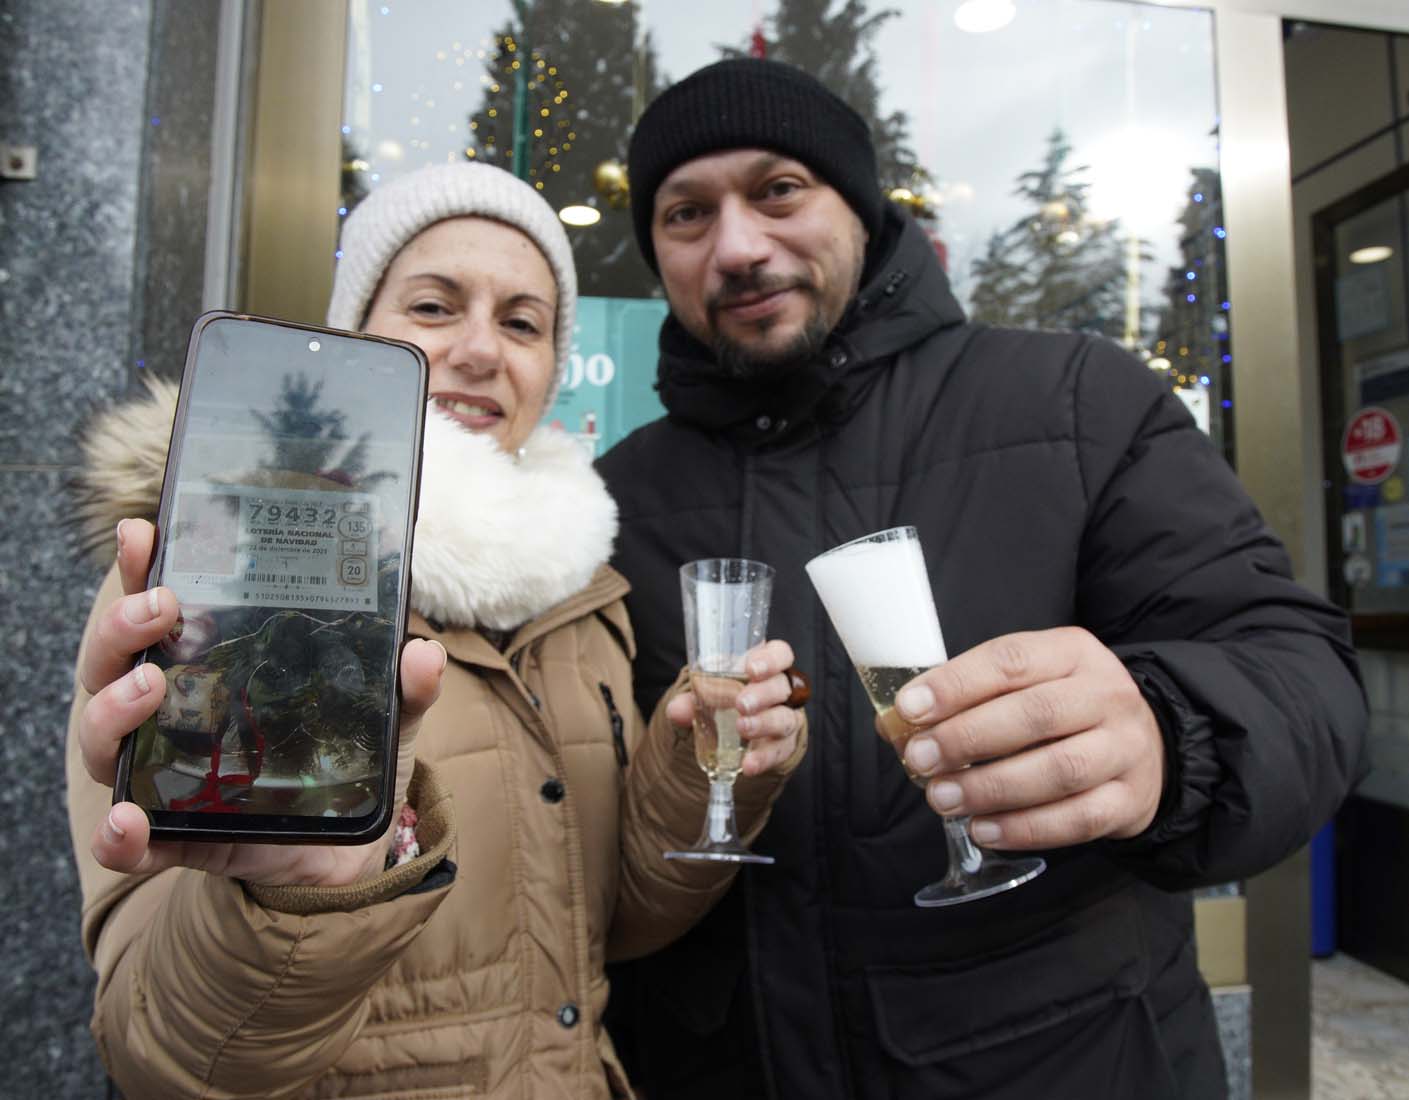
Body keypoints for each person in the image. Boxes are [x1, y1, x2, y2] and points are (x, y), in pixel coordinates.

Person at [597, 58, 1369, 1099]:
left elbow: (1295, 670)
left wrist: (1166, 735)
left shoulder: (1075, 402)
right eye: (687, 214)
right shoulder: (611, 499)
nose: (735, 245)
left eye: (778, 189)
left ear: (860, 208)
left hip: (1064, 1062)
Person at [65, 161, 808, 1100]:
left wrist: (700, 772)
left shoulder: (583, 589)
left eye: (522, 322)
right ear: (355, 332)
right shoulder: (200, 580)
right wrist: (303, 898)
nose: (480, 350)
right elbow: (157, 1057)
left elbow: (609, 924)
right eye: (431, 306)